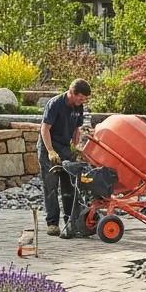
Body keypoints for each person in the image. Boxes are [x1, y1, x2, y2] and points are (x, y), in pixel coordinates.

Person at [39, 78, 91, 237]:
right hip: (49, 147)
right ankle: (52, 223)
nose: (82, 101)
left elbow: (76, 129)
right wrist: (50, 151)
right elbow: (45, 129)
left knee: (69, 185)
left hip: (65, 148)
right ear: (72, 93)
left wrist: (75, 147)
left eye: (84, 99)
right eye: (81, 98)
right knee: (51, 186)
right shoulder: (55, 104)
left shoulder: (78, 106)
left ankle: (70, 220)